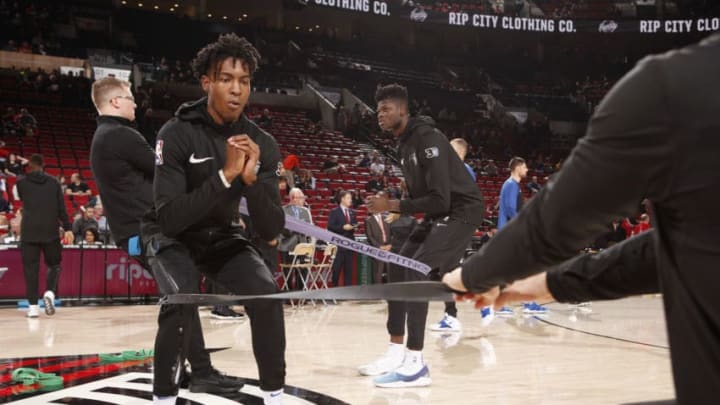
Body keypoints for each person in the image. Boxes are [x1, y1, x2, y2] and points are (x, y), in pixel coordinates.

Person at [442, 33, 720, 405]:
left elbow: (552, 226)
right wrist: (550, 283)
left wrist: (474, 274)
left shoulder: (672, 87)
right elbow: (681, 243)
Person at [89, 76, 244, 400]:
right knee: (180, 298)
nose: (136, 103)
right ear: (115, 102)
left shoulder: (106, 137)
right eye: (130, 98)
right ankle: (165, 391)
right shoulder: (120, 136)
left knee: (185, 295)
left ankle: (200, 371)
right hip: (150, 234)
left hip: (145, 232)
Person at [151, 33, 286, 405]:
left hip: (221, 236)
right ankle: (163, 398)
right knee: (180, 300)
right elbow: (169, 219)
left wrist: (252, 180)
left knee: (267, 295)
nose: (236, 90)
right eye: (226, 79)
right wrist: (225, 176)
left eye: (244, 81)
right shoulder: (176, 133)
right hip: (173, 238)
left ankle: (274, 394)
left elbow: (272, 230)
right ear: (207, 82)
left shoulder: (261, 142)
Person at [361, 84, 484, 388]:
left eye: (386, 109)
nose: (380, 115)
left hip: (461, 211)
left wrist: (392, 205)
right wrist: (397, 201)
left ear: (402, 110)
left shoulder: (428, 138)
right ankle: (395, 351)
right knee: (397, 266)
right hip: (437, 213)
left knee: (418, 273)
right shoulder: (403, 145)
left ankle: (415, 364)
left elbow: (441, 199)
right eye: (378, 110)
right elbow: (422, 196)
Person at [15, 154, 73, 318]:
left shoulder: (22, 183)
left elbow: (21, 193)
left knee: (30, 270)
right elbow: (61, 207)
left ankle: (33, 308)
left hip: (29, 232)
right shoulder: (54, 182)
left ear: (30, 166)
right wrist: (68, 227)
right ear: (44, 165)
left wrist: (22, 167)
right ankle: (49, 293)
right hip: (50, 231)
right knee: (54, 265)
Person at [278, 188, 313, 291]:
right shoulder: (283, 210)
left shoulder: (306, 211)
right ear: (293, 198)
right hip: (287, 245)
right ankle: (288, 296)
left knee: (303, 270)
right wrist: (294, 228)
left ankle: (300, 294)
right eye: (301, 198)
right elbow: (280, 227)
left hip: (303, 245)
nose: (303, 200)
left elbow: (310, 227)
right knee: (288, 271)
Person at [327, 190, 357, 287]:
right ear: (342, 199)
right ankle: (335, 291)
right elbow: (330, 227)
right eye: (348, 198)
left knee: (349, 271)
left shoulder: (353, 212)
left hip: (349, 245)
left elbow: (355, 225)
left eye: (351, 198)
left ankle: (347, 293)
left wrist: (355, 227)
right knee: (336, 271)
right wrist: (342, 227)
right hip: (338, 247)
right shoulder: (334, 212)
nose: (350, 200)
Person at [365, 200, 392, 284]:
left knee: (390, 271)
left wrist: (390, 245)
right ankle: (378, 292)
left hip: (388, 248)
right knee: (378, 272)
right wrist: (379, 246)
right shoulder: (368, 220)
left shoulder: (387, 217)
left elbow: (393, 232)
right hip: (377, 249)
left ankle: (390, 291)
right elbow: (369, 236)